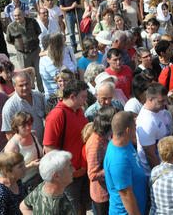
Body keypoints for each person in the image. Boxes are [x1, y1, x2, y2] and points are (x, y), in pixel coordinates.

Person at [43, 79, 90, 215]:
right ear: (72, 97)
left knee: (81, 208)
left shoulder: (79, 110)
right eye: (83, 96)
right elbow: (49, 148)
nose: (86, 99)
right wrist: (65, 172)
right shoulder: (56, 115)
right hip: (68, 177)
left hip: (81, 172)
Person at [104, 111, 149, 215]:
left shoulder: (125, 142)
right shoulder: (118, 160)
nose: (136, 129)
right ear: (128, 130)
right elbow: (125, 195)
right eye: (135, 127)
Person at [19, 150, 75, 215]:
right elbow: (23, 207)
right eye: (70, 167)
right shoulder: (52, 209)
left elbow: (23, 206)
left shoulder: (43, 186)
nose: (74, 170)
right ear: (56, 176)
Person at [86, 106, 118, 215]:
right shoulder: (95, 143)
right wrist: (113, 168)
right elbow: (92, 174)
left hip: (110, 190)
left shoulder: (106, 136)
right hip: (102, 195)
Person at [136, 82, 173, 174]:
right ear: (150, 99)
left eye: (166, 100)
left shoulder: (159, 110)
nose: (165, 104)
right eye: (161, 101)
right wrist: (161, 175)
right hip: (155, 171)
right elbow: (150, 155)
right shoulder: (147, 122)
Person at [3, 111, 44, 194]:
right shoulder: (12, 146)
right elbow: (10, 172)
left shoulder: (33, 134)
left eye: (29, 124)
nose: (28, 128)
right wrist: (31, 165)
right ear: (16, 127)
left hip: (40, 179)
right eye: (23, 126)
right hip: (24, 185)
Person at [1, 72, 46, 138]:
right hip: (25, 146)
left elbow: (46, 117)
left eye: (27, 84)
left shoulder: (38, 96)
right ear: (14, 86)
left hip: (42, 142)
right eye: (21, 85)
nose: (25, 88)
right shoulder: (10, 107)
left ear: (31, 83)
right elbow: (9, 133)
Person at [5, 8, 41, 83]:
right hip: (22, 54)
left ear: (23, 14)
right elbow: (9, 40)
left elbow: (38, 32)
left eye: (19, 15)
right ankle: (30, 91)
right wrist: (20, 45)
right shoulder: (11, 27)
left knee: (39, 72)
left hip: (35, 51)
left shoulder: (32, 21)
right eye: (15, 16)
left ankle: (42, 91)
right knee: (26, 75)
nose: (17, 17)